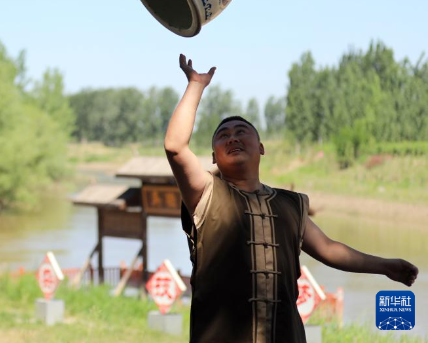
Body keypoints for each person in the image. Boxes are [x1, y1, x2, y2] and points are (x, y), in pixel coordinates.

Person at [164, 54, 419, 343]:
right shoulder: (206, 193)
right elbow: (175, 146)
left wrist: (385, 266)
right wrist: (196, 85)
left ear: (261, 148)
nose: (232, 138)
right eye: (223, 136)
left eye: (241, 132)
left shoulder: (291, 205)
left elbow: (329, 249)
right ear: (213, 157)